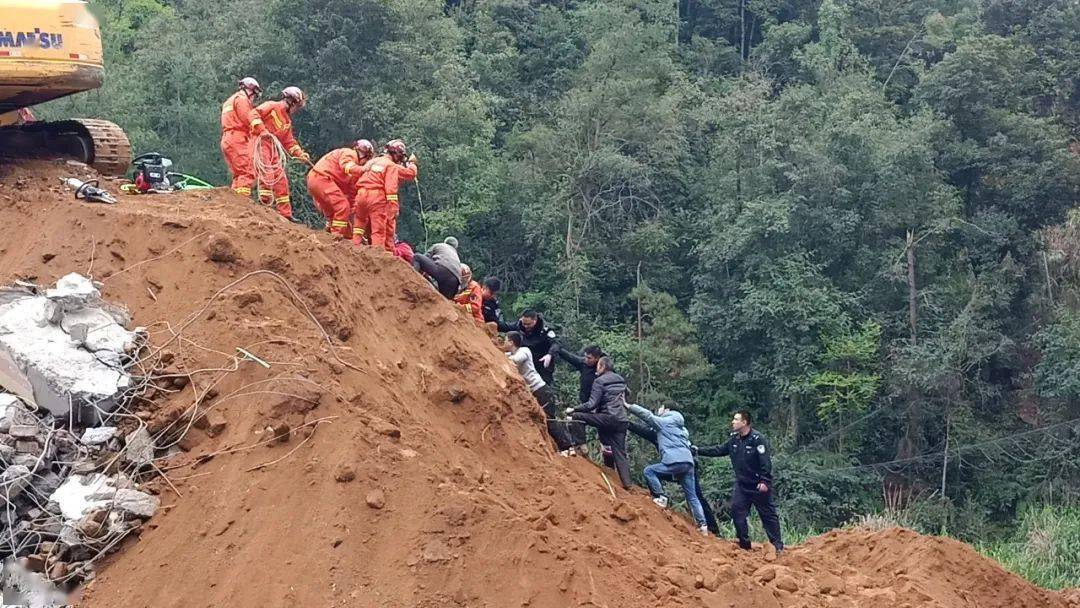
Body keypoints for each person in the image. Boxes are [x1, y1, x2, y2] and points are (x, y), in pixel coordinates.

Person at [695, 410, 784, 555]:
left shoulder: (758, 439)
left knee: (768, 515)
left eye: (736, 419)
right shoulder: (734, 440)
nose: (733, 422)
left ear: (745, 422)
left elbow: (765, 462)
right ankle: (744, 545)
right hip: (742, 485)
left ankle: (777, 546)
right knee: (737, 512)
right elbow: (718, 450)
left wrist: (765, 481)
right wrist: (698, 450)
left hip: (758, 485)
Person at [627, 416, 719, 534]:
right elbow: (643, 431)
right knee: (694, 496)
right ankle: (704, 526)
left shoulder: (673, 430)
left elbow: (646, 421)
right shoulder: (675, 432)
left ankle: (712, 529)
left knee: (651, 472)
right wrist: (628, 423)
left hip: (680, 466)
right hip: (685, 466)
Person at [566, 357, 632, 489]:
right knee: (620, 452)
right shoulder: (620, 379)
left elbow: (591, 404)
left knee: (577, 416)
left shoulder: (599, 381)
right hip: (621, 420)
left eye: (598, 366)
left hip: (608, 417)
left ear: (602, 367)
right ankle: (627, 484)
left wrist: (574, 409)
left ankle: (581, 446)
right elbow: (627, 393)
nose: (596, 369)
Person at [505, 331, 576, 454]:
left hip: (541, 390)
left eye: (505, 340)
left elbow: (516, 360)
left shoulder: (524, 351)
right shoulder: (511, 353)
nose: (503, 343)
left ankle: (567, 447)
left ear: (511, 342)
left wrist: (500, 356)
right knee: (543, 419)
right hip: (534, 391)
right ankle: (563, 447)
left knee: (549, 419)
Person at [254, 86, 311, 220]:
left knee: (281, 179)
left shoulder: (287, 121)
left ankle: (285, 214)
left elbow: (289, 142)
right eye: (297, 106)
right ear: (291, 101)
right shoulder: (271, 106)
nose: (297, 110)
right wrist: (262, 130)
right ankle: (264, 204)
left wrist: (300, 154)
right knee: (267, 172)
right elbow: (254, 114)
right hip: (261, 143)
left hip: (273, 148)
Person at [353, 139, 417, 252]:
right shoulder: (391, 166)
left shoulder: (372, 161)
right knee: (379, 230)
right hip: (376, 197)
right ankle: (378, 257)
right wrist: (393, 207)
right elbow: (391, 188)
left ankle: (354, 248)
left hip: (361, 194)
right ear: (397, 155)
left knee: (359, 224)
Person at [306, 139, 375, 239]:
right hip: (322, 179)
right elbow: (347, 166)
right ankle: (336, 236)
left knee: (335, 213)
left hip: (317, 181)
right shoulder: (350, 154)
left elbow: (350, 192)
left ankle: (332, 232)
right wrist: (362, 170)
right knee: (342, 207)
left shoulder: (353, 171)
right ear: (365, 156)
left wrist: (352, 209)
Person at [220, 77, 264, 198]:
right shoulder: (242, 100)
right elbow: (248, 118)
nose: (253, 99)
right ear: (251, 91)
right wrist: (262, 131)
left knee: (238, 175)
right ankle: (243, 203)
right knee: (247, 171)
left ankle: (234, 203)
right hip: (238, 138)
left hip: (227, 139)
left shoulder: (229, 100)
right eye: (254, 95)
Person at [505, 311, 560, 385]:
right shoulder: (520, 324)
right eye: (524, 323)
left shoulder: (545, 329)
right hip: (525, 361)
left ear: (535, 320)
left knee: (543, 385)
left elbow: (556, 343)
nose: (526, 326)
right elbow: (505, 326)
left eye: (528, 324)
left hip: (542, 363)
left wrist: (549, 355)